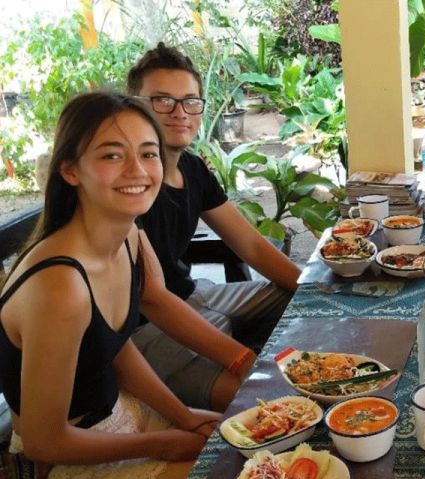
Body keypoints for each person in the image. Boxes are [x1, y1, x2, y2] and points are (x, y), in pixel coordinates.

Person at [0, 92, 221, 479]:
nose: (137, 171)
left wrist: (183, 415)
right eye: (112, 155)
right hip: (64, 476)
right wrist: (164, 440)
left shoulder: (128, 237)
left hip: (121, 419)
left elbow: (115, 350)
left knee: (253, 441)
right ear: (69, 170)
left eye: (148, 153)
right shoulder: (59, 285)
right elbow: (45, 440)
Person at [126, 43, 301, 411]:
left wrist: (315, 290)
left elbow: (250, 246)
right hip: (144, 329)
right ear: (133, 106)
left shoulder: (191, 168)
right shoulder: (130, 183)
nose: (179, 112)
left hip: (194, 294)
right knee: (266, 403)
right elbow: (150, 297)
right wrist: (239, 358)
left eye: (190, 101)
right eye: (162, 100)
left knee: (302, 299)